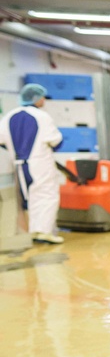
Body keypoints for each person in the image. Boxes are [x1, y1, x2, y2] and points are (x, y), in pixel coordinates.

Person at [0, 83, 65, 244]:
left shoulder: (9, 116)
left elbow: (1, 141)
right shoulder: (42, 116)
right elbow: (55, 141)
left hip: (19, 165)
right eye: (42, 97)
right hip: (40, 163)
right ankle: (44, 231)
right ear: (36, 98)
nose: (44, 100)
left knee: (31, 198)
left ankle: (36, 230)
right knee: (47, 196)